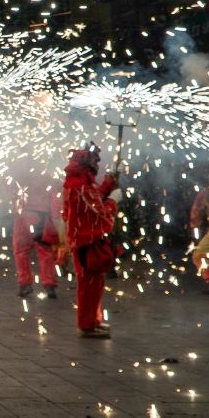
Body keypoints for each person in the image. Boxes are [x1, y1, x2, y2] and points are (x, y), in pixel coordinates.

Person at [61, 142, 120, 339]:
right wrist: (113, 201)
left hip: (85, 240)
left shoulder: (79, 183)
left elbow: (94, 198)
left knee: (94, 284)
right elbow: (100, 214)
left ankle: (93, 320)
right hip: (87, 241)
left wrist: (108, 184)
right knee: (89, 286)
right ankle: (87, 325)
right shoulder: (80, 187)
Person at [8, 158, 61, 298]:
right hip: (41, 217)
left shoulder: (19, 174)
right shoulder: (45, 175)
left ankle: (25, 284)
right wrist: (55, 216)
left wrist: (15, 209)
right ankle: (49, 284)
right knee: (45, 251)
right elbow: (54, 197)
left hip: (23, 216)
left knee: (21, 251)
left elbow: (13, 196)